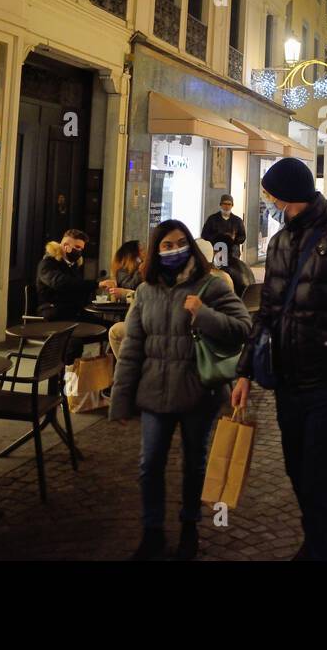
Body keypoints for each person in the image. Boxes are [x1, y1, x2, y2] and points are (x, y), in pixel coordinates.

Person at [230, 157, 327, 561]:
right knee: (298, 471)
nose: (268, 202)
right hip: (287, 381)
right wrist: (245, 369)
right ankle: (314, 543)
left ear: (287, 196)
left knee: (322, 481)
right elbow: (266, 312)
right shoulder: (281, 241)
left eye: (270, 195)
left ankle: (321, 552)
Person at [109, 221, 250, 561]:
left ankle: (190, 526)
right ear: (156, 251)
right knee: (150, 464)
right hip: (155, 393)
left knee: (194, 463)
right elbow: (131, 349)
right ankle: (152, 531)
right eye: (167, 245)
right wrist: (120, 400)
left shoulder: (212, 286)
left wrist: (204, 315)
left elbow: (243, 328)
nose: (174, 250)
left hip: (197, 393)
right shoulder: (145, 291)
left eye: (180, 243)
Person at [35, 228, 97, 320]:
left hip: (71, 310)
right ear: (65, 246)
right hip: (53, 311)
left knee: (106, 327)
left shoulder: (73, 266)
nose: (80, 252)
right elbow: (60, 282)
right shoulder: (47, 263)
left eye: (81, 249)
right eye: (77, 247)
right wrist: (96, 284)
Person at [200, 195, 246, 267]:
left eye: (229, 204)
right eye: (224, 204)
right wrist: (218, 237)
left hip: (232, 251)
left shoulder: (237, 221)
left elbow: (242, 237)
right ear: (220, 204)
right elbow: (204, 235)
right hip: (216, 249)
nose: (226, 206)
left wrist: (233, 239)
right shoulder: (212, 219)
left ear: (232, 205)